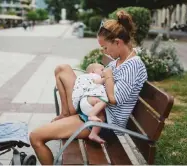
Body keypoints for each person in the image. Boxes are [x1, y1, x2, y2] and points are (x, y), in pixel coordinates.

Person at [29, 10, 148, 165]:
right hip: (92, 108)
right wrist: (94, 80)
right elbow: (103, 83)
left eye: (105, 47)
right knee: (63, 69)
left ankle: (68, 114)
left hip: (102, 122)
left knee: (35, 137)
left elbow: (113, 100)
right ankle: (66, 113)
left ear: (118, 42)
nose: (105, 52)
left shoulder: (133, 66)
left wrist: (106, 77)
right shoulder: (117, 62)